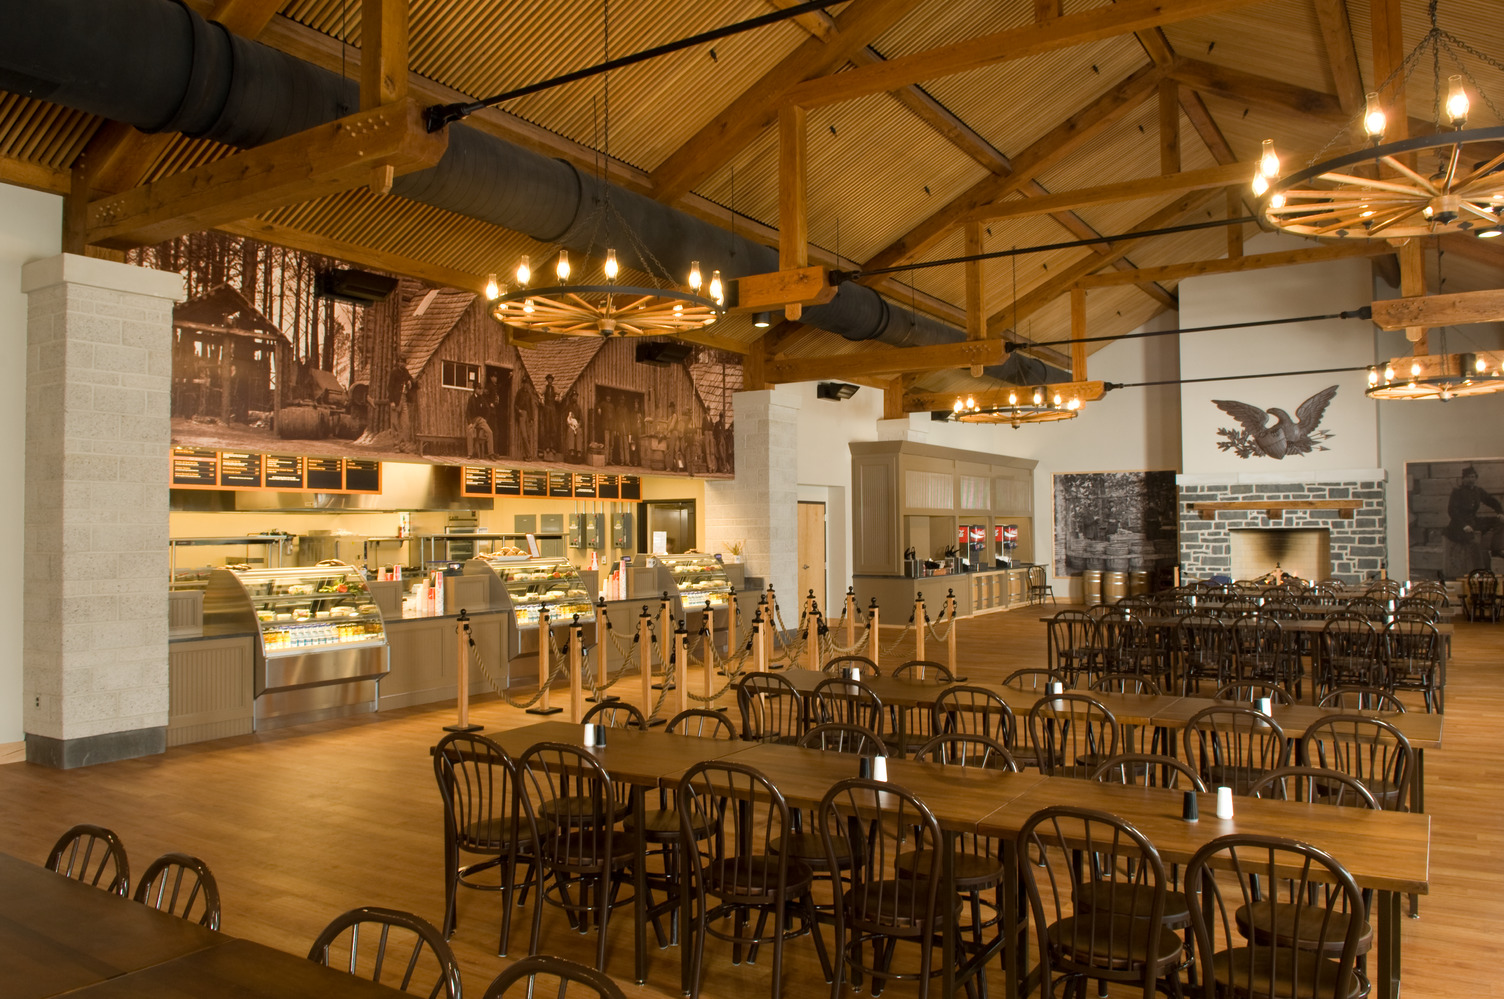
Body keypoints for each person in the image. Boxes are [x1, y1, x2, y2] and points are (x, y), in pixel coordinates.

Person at [1443, 465, 1503, 578]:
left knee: (1500, 521)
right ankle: (1481, 571)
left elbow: (1491, 500)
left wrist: (1499, 512)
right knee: (1474, 543)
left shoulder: (1478, 491)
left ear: (1476, 478)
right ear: (1463, 479)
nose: (1471, 479)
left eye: (1473, 476)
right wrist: (1464, 525)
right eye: (1468, 477)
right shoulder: (1457, 492)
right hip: (1458, 525)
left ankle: (1496, 549)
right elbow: (1452, 512)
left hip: (1474, 521)